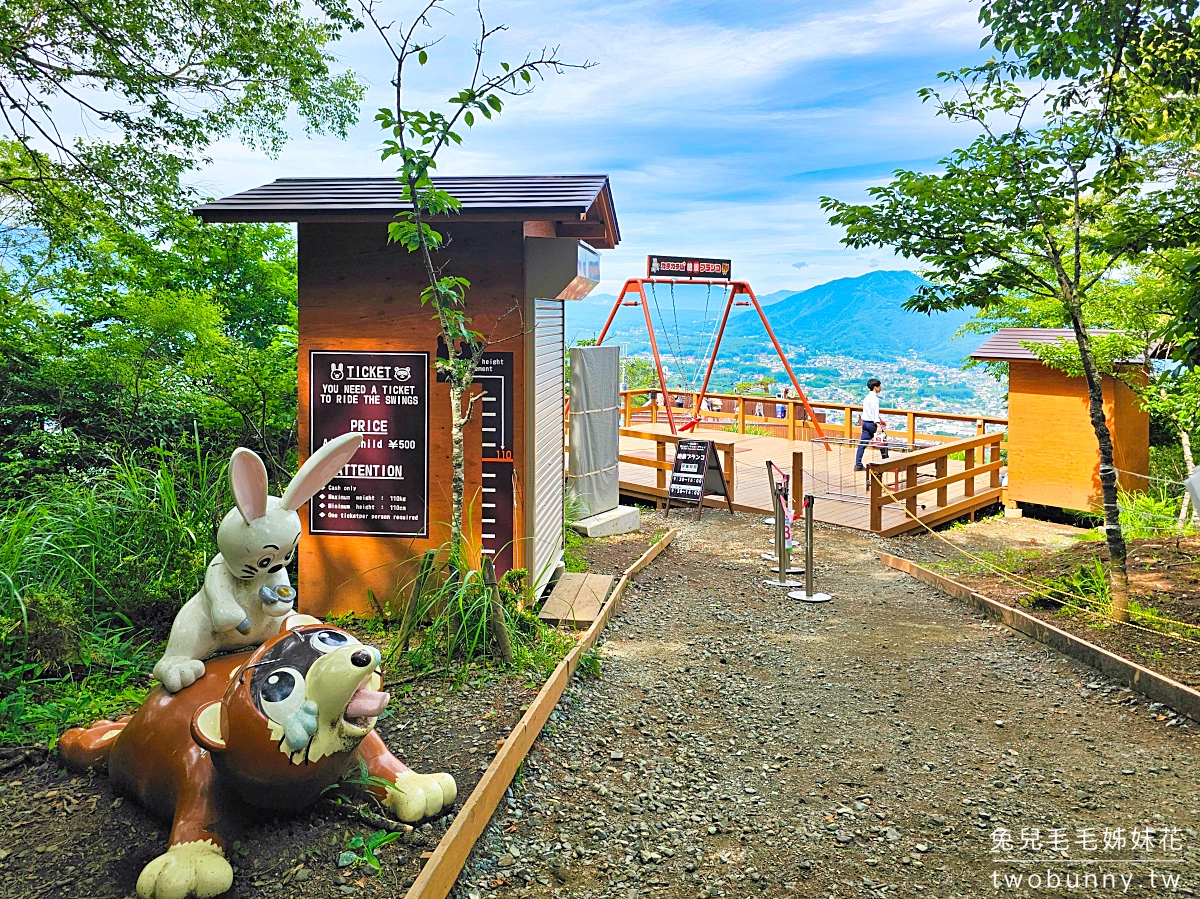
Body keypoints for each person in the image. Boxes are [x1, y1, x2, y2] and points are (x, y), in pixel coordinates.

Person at [854, 378, 889, 471]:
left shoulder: (866, 397)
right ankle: (887, 462)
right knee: (883, 440)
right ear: (875, 387)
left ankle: (858, 464)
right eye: (879, 386)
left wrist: (879, 420)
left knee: (862, 444)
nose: (880, 388)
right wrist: (878, 425)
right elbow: (875, 412)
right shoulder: (875, 399)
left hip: (865, 423)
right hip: (872, 424)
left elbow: (868, 412)